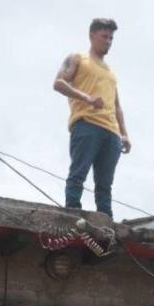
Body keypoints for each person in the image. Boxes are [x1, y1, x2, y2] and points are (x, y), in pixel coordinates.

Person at [53, 18, 131, 217]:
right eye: (104, 36)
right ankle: (73, 211)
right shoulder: (78, 58)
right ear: (92, 36)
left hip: (111, 132)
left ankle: (106, 218)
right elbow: (59, 83)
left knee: (105, 183)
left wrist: (125, 133)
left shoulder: (111, 72)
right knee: (79, 172)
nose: (108, 42)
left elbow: (117, 105)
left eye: (111, 38)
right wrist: (86, 97)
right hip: (87, 123)